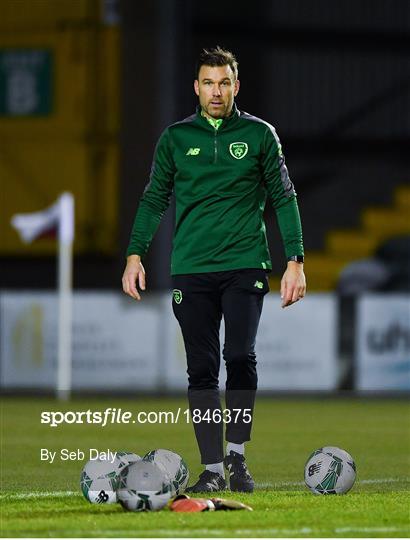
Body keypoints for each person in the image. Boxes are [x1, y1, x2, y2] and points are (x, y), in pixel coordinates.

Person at [122, 47, 306, 493]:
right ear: (196, 88)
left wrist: (295, 260)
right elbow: (152, 199)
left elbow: (284, 196)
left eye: (224, 83)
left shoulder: (261, 135)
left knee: (240, 357)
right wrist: (134, 254)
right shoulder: (174, 139)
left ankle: (238, 458)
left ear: (236, 86)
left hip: (245, 264)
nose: (216, 91)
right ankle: (212, 468)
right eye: (208, 83)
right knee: (201, 371)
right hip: (192, 269)